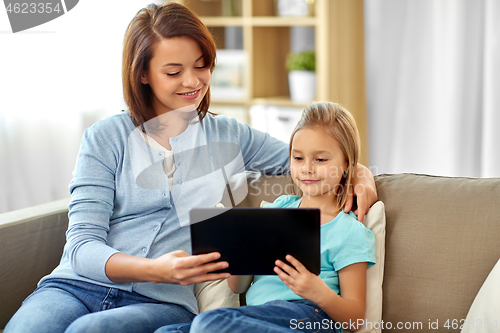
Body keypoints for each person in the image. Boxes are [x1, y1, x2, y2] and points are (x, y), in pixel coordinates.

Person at [4, 3, 377, 333]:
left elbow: (308, 157)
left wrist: (361, 172)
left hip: (160, 302)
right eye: (173, 71)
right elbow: (82, 247)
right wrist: (157, 269)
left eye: (202, 66)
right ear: (143, 74)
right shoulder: (104, 138)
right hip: (75, 286)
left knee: (95, 330)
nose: (192, 81)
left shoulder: (230, 136)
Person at [158, 102, 376, 333]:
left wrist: (317, 291)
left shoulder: (348, 230)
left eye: (320, 160)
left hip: (306, 316)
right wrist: (240, 253)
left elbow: (355, 319)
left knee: (208, 324)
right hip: (255, 317)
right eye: (298, 158)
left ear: (346, 166)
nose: (307, 169)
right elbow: (237, 286)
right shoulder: (276, 211)